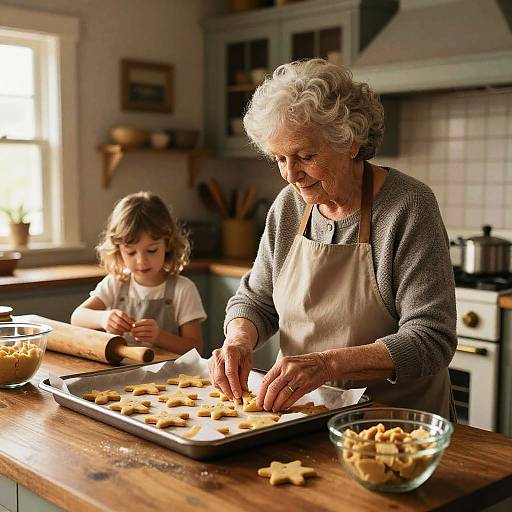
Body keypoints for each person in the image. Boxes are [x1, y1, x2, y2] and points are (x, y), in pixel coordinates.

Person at [208, 59, 457, 418]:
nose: (291, 174)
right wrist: (238, 341)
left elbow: (431, 338)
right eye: (279, 158)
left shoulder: (408, 205)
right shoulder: (289, 205)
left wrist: (327, 365)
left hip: (395, 425)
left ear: (351, 142)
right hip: (301, 415)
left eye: (306, 156)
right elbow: (256, 300)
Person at [71, 191, 205, 354]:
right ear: (118, 249)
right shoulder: (116, 283)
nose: (141, 261)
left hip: (169, 376)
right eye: (131, 253)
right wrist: (104, 318)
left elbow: (196, 347)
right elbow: (77, 317)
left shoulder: (183, 289)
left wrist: (160, 337)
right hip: (121, 373)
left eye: (151, 250)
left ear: (168, 244)